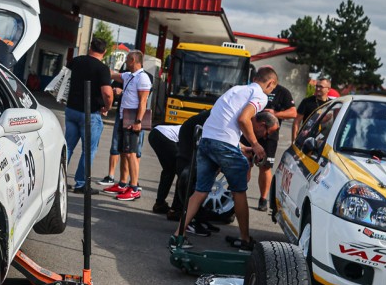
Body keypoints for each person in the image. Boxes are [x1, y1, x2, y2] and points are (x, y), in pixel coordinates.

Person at [173, 66, 280, 250]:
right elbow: (243, 119)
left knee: (200, 191)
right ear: (270, 83)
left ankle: (178, 235)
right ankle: (245, 239)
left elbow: (223, 122)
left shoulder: (236, 90)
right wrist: (255, 144)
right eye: (272, 88)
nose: (270, 92)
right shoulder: (260, 96)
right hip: (222, 144)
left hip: (206, 141)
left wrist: (241, 147)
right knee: (239, 191)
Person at [62, 37, 114, 193]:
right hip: (90, 113)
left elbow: (65, 80)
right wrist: (107, 107)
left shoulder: (75, 61)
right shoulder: (102, 68)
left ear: (89, 47)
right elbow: (107, 93)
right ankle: (81, 183)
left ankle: (58, 179)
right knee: (88, 150)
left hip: (71, 109)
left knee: (68, 147)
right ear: (104, 52)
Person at [104, 51, 151, 202]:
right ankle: (123, 183)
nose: (125, 62)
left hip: (133, 118)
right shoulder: (129, 75)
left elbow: (143, 102)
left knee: (131, 154)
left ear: (133, 60)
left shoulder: (143, 78)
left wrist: (138, 122)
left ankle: (134, 188)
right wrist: (97, 67)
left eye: (126, 59)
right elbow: (114, 75)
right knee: (124, 152)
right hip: (124, 116)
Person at [256, 82, 297, 211]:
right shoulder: (256, 89)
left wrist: (275, 114)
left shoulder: (282, 92)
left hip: (270, 134)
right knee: (244, 163)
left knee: (265, 166)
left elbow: (293, 113)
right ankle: (236, 195)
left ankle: (263, 198)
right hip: (252, 129)